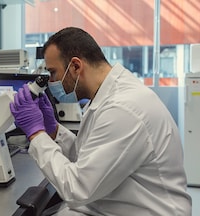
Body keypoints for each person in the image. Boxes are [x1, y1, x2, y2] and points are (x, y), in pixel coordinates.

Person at [10, 27, 192, 215]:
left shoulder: (122, 109)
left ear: (75, 66)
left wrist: (36, 134)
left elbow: (77, 189)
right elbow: (89, 158)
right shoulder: (106, 96)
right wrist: (54, 130)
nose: (52, 82)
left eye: (53, 73)